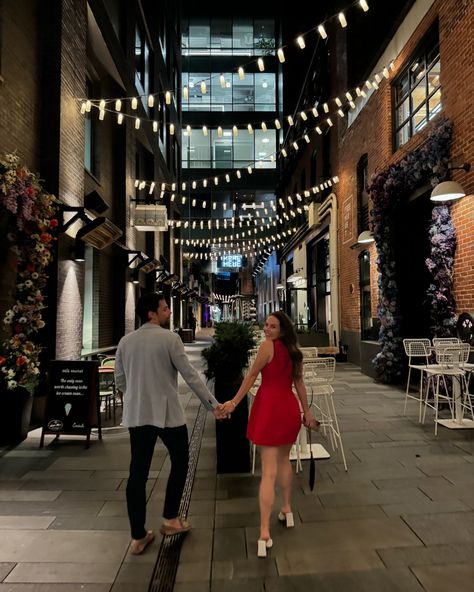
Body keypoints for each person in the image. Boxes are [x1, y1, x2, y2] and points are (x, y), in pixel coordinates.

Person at [115, 292, 225, 555]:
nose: (169, 311)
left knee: (137, 473)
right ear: (152, 313)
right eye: (165, 308)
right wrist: (214, 406)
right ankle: (171, 518)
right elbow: (191, 376)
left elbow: (120, 382)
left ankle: (138, 536)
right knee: (181, 461)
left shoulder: (125, 342)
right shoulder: (170, 339)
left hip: (138, 415)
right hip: (167, 415)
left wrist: (135, 397)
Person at [220, 310, 319, 557]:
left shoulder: (267, 347)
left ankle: (264, 532)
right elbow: (299, 384)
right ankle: (286, 509)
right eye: (266, 325)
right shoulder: (294, 352)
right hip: (288, 408)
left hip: (268, 408)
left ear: (282, 330)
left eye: (272, 326)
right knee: (285, 461)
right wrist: (306, 413)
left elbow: (252, 376)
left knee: (268, 471)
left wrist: (233, 401)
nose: (266, 329)